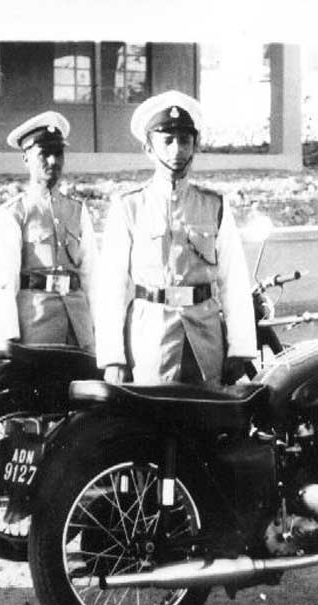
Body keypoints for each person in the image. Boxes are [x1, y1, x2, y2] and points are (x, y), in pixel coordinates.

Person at [93, 90, 256, 386]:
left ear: (196, 146)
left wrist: (239, 349)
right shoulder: (129, 206)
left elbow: (234, 281)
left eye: (184, 140)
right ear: (149, 148)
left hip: (204, 338)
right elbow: (110, 287)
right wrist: (113, 358)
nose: (177, 150)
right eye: (167, 140)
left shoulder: (214, 205)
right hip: (149, 339)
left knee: (208, 412)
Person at [0, 111, 96, 349]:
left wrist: (99, 329)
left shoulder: (78, 210)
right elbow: (3, 281)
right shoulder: (15, 213)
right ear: (26, 158)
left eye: (58, 153)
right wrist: (9, 337)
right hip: (36, 327)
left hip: (78, 327)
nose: (53, 161)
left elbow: (92, 275)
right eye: (44, 154)